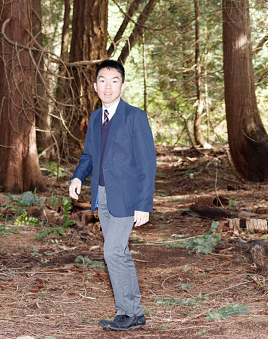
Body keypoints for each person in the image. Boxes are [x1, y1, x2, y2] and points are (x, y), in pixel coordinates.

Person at [69, 59, 156, 331]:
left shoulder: (135, 117)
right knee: (122, 253)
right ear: (95, 86)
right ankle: (136, 313)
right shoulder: (96, 118)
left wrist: (144, 204)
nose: (108, 86)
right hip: (102, 196)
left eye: (114, 80)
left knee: (112, 252)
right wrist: (77, 176)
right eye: (103, 81)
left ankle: (125, 314)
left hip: (127, 198)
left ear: (123, 84)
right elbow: (89, 156)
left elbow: (147, 163)